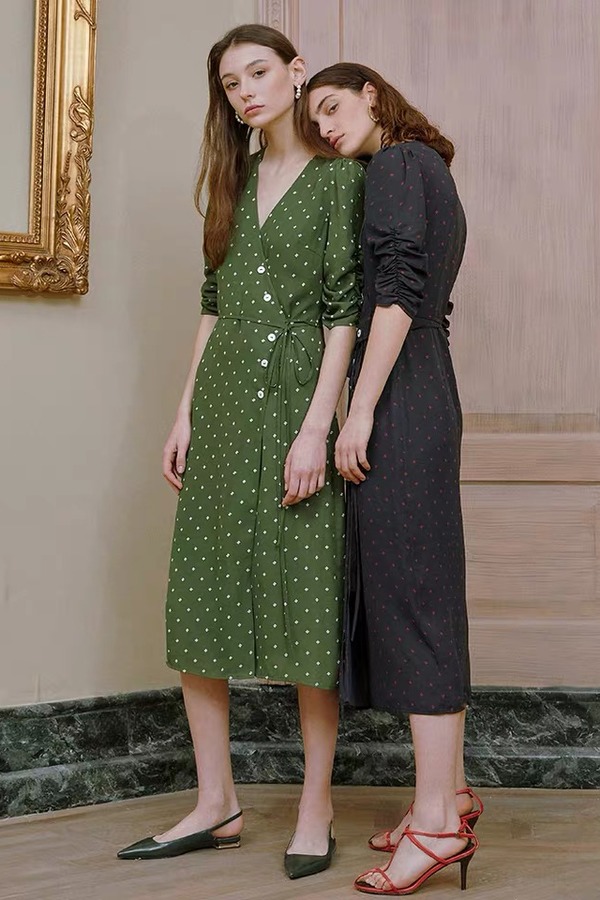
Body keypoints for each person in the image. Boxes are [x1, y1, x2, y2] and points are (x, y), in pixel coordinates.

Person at [116, 26, 364, 881]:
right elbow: (213, 303)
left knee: (307, 594)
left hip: (298, 397)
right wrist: (183, 411)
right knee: (202, 588)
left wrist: (317, 427)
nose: (245, 91)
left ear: (296, 74)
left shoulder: (341, 180)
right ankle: (215, 799)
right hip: (222, 402)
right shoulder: (234, 177)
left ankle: (315, 806)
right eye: (230, 83)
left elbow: (344, 312)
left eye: (258, 72)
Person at [307, 63, 481, 895]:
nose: (325, 127)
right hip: (425, 387)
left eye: (332, 107)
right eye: (315, 121)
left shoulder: (398, 164)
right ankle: (446, 797)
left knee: (416, 603)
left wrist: (361, 409)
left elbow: (402, 292)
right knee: (423, 594)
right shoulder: (428, 168)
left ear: (372, 95)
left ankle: (439, 824)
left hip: (403, 394)